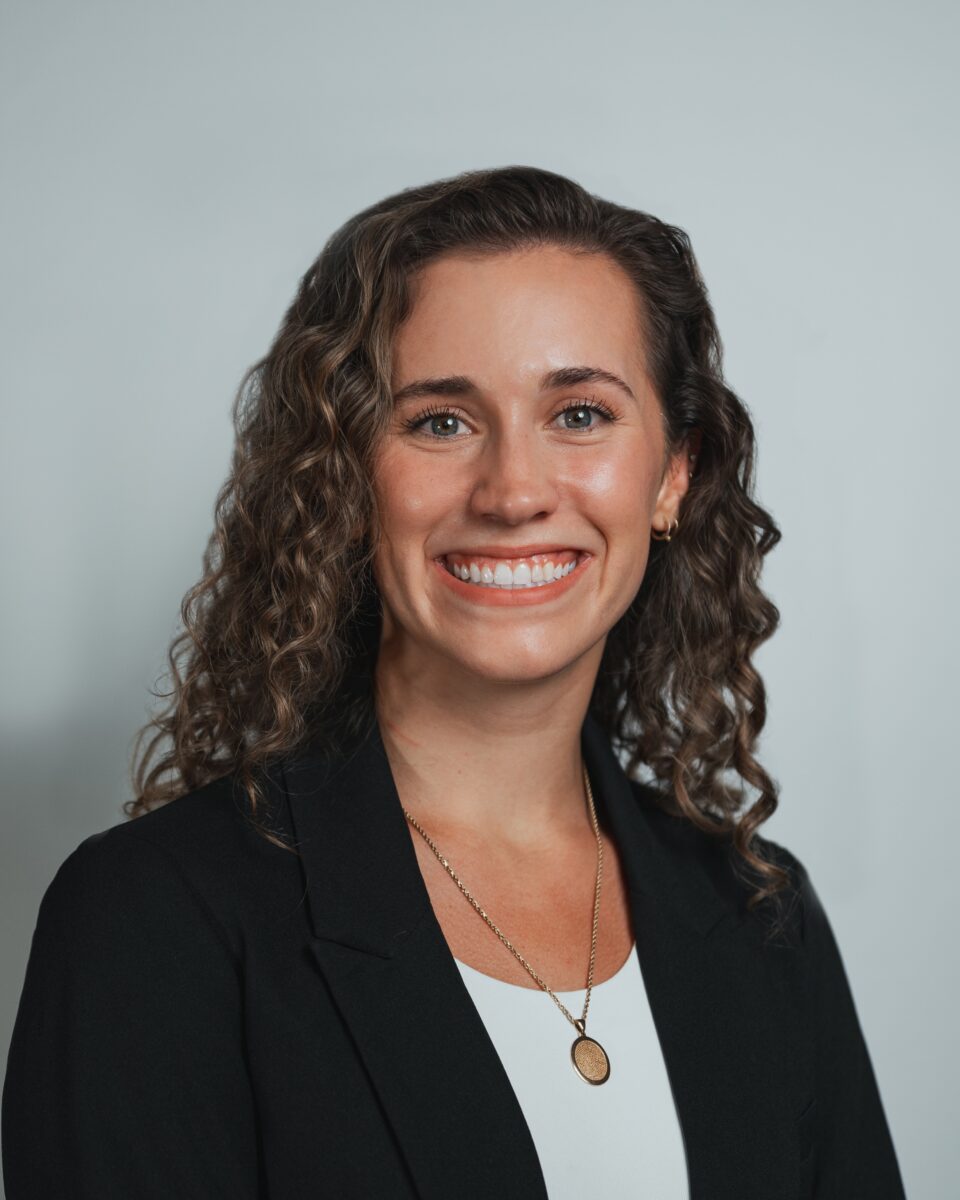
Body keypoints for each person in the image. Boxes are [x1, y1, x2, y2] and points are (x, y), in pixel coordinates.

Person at [1, 166, 906, 1200]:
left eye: (579, 414)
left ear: (671, 475)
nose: (515, 491)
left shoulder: (760, 913)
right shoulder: (156, 918)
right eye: (440, 421)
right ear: (347, 479)